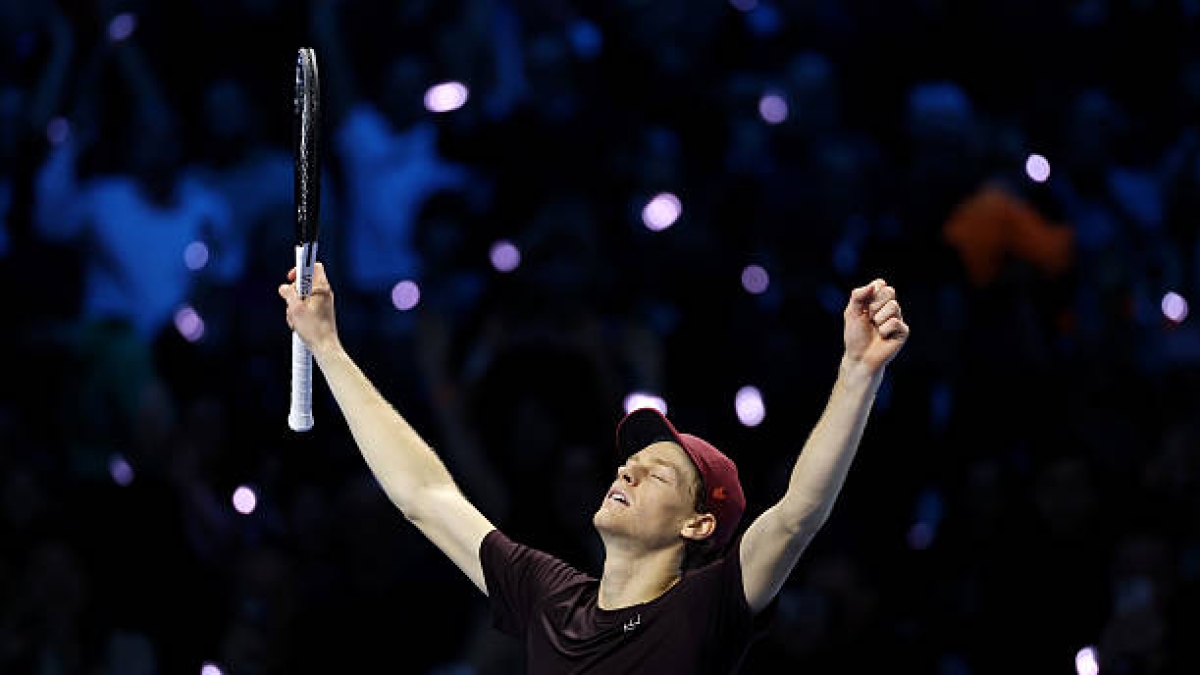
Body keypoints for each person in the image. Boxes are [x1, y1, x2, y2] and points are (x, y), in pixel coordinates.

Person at [278, 262, 909, 673]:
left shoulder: (707, 607)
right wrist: (329, 348)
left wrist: (858, 375)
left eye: (657, 473)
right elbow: (425, 495)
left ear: (696, 526)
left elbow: (799, 514)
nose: (626, 473)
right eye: (630, 464)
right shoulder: (550, 596)